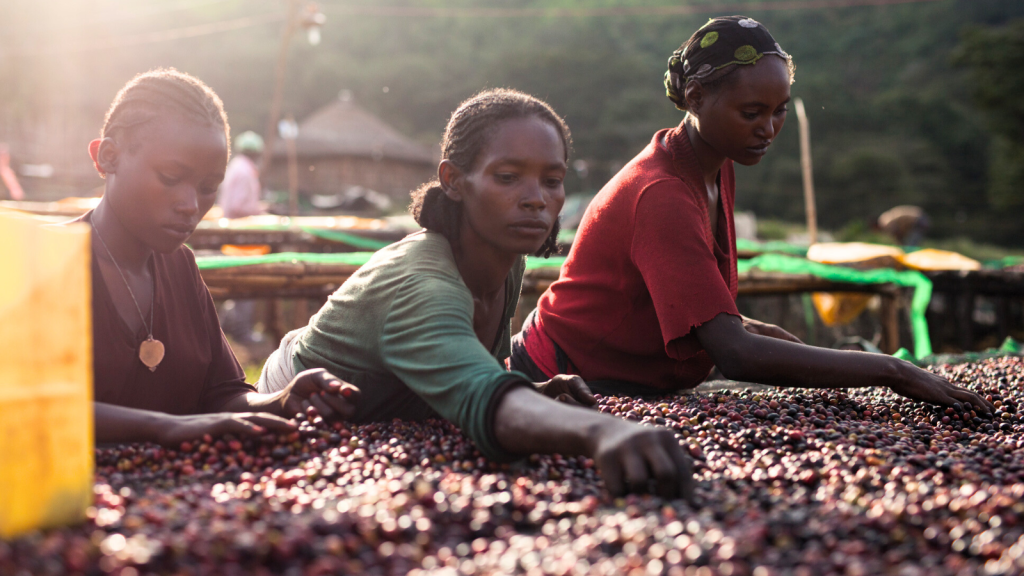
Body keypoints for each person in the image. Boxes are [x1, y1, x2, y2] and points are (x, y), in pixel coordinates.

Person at [510, 16, 992, 413]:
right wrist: (893, 370)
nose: (768, 129)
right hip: (555, 380)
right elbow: (734, 353)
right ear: (696, 98)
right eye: (751, 112)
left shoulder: (715, 163)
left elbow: (710, 316)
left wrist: (784, 343)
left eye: (779, 111)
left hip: (629, 381)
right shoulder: (661, 193)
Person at [258, 89, 694, 498]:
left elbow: (478, 372)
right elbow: (481, 394)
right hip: (302, 402)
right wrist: (601, 432)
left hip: (403, 412)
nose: (535, 199)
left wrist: (530, 391)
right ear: (453, 180)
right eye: (508, 177)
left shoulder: (505, 257)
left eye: (552, 180)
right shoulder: (422, 286)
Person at [72, 69, 358, 447]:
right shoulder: (43, 261)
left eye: (209, 188)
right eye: (171, 177)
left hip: (172, 496)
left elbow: (223, 395)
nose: (191, 205)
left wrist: (281, 400)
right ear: (108, 157)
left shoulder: (181, 268)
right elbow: (26, 405)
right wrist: (165, 427)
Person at [217, 130, 266, 219]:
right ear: (256, 153)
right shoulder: (245, 172)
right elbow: (237, 207)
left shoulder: (235, 165)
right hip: (237, 225)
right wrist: (260, 211)